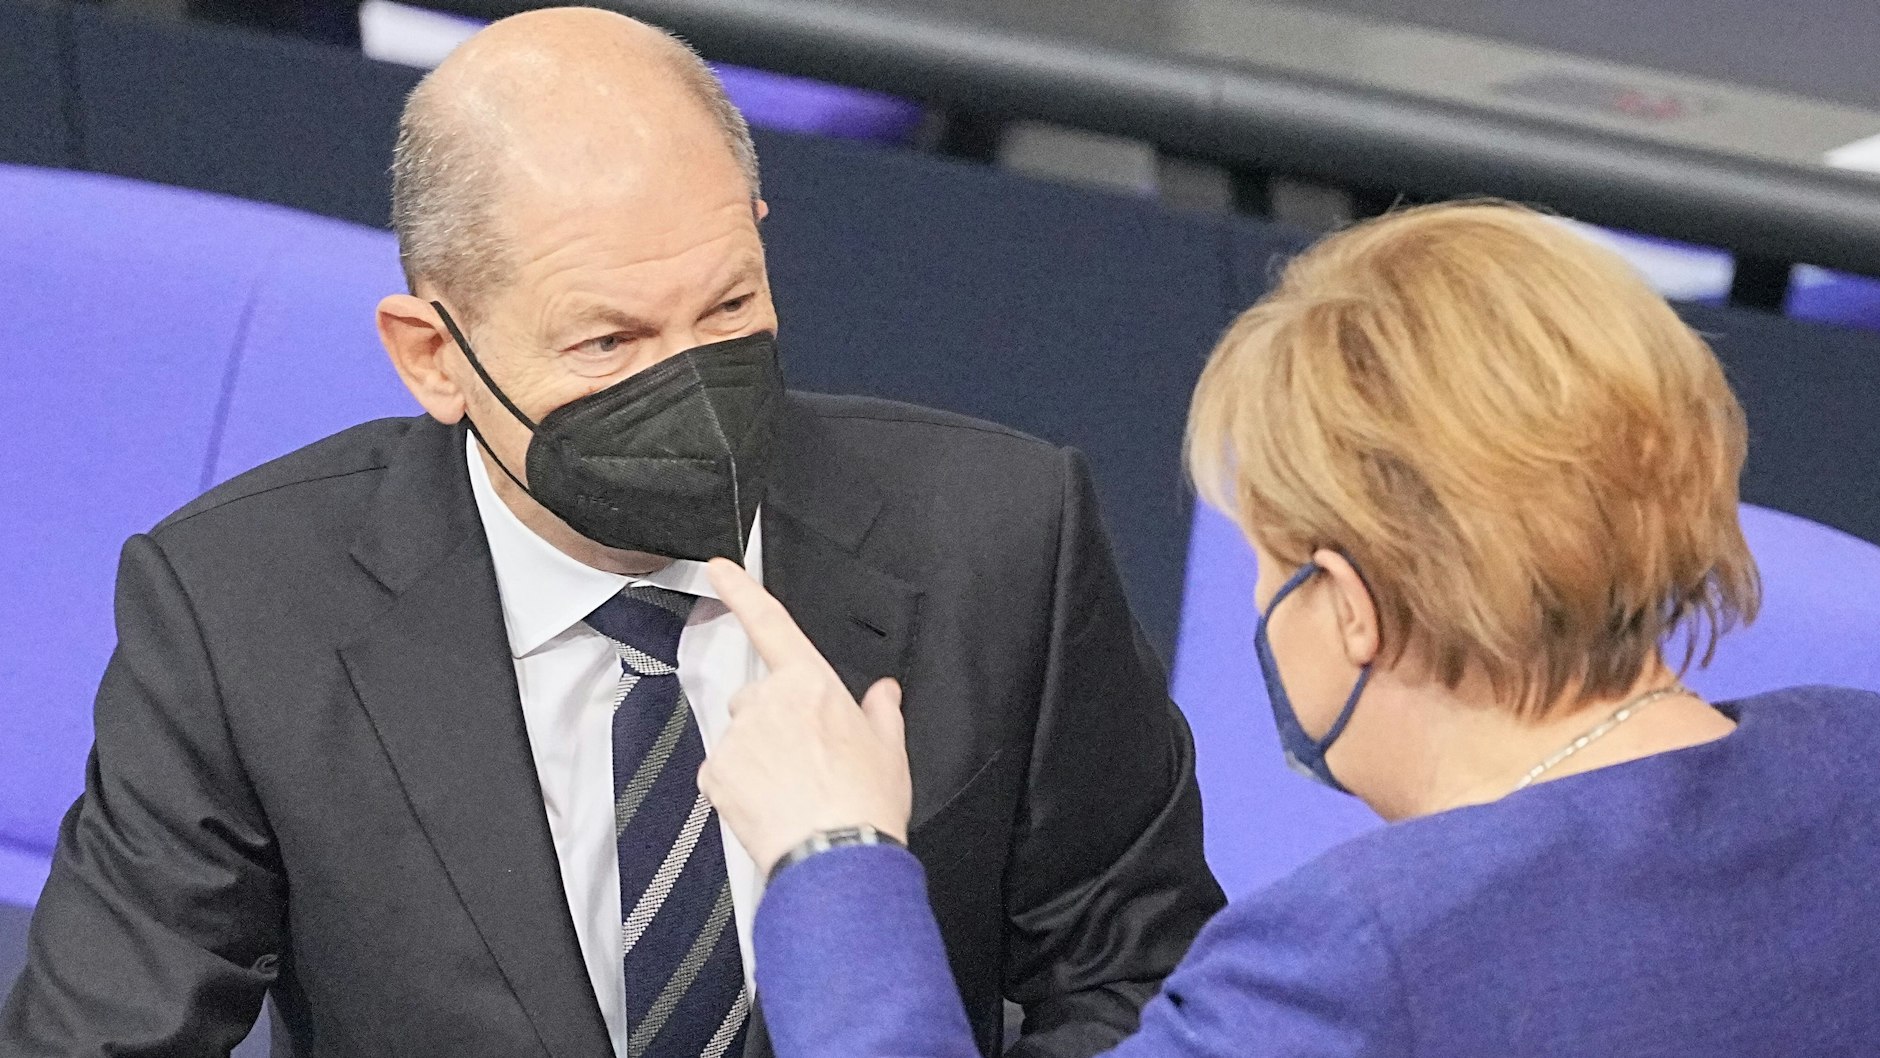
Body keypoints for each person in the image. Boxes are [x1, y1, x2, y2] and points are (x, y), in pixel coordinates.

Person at [0, 9, 1224, 1057]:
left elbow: (1135, 983)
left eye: (729, 304)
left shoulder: (1000, 538)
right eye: (608, 343)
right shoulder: (242, 608)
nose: (691, 384)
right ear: (433, 354)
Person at [695, 202, 1880, 1058]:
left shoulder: (1357, 958)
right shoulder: (1856, 760)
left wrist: (830, 857)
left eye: (1267, 565)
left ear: (1351, 607)